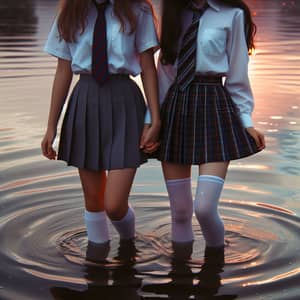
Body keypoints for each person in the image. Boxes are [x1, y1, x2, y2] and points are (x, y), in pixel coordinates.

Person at [41, 0, 160, 246]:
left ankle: (129, 244)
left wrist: (154, 118)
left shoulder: (138, 9)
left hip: (125, 103)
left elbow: (149, 67)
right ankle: (96, 259)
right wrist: (51, 125)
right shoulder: (70, 10)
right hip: (84, 101)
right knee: (93, 200)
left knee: (114, 205)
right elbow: (63, 70)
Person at [156, 0, 266, 252]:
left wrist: (246, 122)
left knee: (204, 208)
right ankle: (179, 275)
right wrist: (154, 121)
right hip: (176, 106)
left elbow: (238, 75)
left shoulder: (233, 15)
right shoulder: (173, 13)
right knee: (180, 212)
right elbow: (164, 72)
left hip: (214, 105)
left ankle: (215, 265)